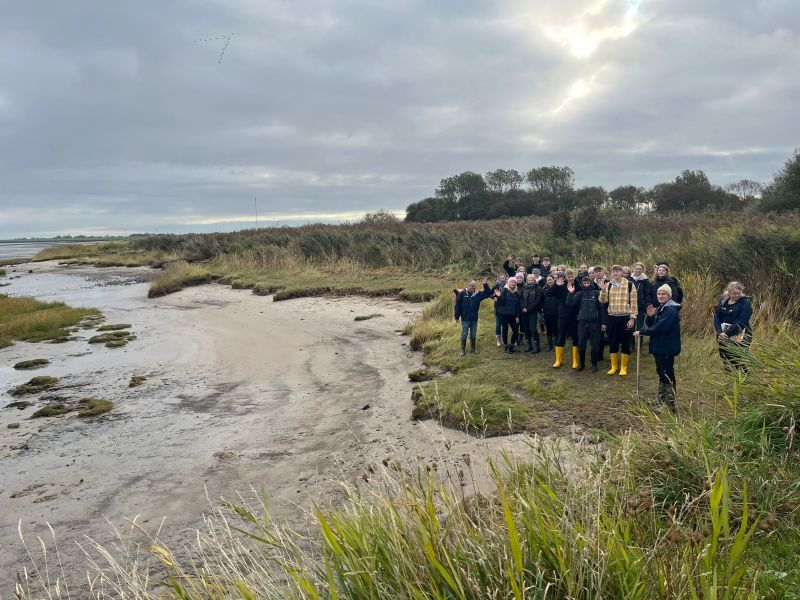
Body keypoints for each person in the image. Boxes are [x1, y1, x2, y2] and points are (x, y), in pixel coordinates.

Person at [634, 284, 681, 412]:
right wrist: (650, 316)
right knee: (661, 373)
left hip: (667, 346)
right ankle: (661, 400)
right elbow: (653, 324)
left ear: (669, 295)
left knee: (667, 374)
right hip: (660, 346)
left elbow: (660, 328)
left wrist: (642, 332)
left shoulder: (670, 310)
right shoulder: (662, 308)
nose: (660, 296)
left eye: (663, 294)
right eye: (659, 294)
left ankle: (669, 405)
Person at [598, 265, 637, 376]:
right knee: (613, 342)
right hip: (612, 317)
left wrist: (632, 318)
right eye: (613, 271)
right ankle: (614, 366)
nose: (616, 273)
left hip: (625, 317)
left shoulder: (630, 285)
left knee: (625, 342)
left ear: (621, 272)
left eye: (618, 271)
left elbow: (634, 303)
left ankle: (623, 367)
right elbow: (602, 301)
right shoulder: (609, 285)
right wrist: (603, 290)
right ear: (611, 273)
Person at [713, 281, 753, 372]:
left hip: (740, 334)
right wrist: (719, 332)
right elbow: (717, 318)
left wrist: (728, 333)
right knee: (724, 355)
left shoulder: (745, 303)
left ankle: (744, 374)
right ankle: (730, 375)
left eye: (739, 293)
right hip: (723, 334)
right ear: (729, 292)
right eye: (734, 293)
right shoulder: (723, 301)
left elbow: (742, 321)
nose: (736, 295)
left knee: (736, 357)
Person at [567, 276, 604, 372]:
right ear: (582, 284)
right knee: (581, 345)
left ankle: (594, 365)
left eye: (588, 283)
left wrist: (603, 322)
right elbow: (570, 303)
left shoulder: (596, 293)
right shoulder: (579, 294)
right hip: (582, 322)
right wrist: (570, 293)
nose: (586, 284)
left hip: (594, 323)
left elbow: (601, 309)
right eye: (584, 283)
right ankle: (582, 364)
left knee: (595, 345)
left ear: (591, 283)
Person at [454, 278, 492, 356]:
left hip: (474, 318)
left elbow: (488, 293)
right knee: (464, 334)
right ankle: (463, 350)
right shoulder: (462, 294)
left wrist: (485, 284)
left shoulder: (478, 294)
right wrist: (457, 317)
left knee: (473, 334)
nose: (473, 287)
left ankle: (473, 349)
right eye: (472, 286)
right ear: (468, 285)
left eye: (474, 286)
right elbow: (457, 306)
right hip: (465, 318)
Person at [552, 270, 580, 369]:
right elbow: (549, 294)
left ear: (574, 276)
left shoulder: (578, 286)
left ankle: (575, 360)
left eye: (572, 276)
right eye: (568, 276)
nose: (570, 278)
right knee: (560, 337)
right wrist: (556, 285)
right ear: (566, 277)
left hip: (574, 316)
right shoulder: (561, 286)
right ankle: (558, 360)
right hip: (562, 315)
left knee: (576, 337)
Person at [495, 276, 523, 353]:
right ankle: (506, 346)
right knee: (505, 330)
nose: (513, 283)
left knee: (515, 330)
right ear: (508, 283)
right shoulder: (504, 291)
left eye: (514, 282)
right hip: (503, 314)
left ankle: (512, 345)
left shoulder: (517, 293)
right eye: (511, 282)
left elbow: (518, 306)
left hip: (513, 315)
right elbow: (501, 303)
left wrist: (517, 316)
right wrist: (498, 296)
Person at [522, 274, 544, 353]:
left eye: (532, 280)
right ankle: (529, 345)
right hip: (524, 312)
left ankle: (537, 347)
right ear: (527, 280)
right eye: (529, 280)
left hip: (533, 311)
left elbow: (537, 301)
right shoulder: (524, 287)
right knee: (526, 329)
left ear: (534, 280)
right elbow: (520, 298)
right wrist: (523, 307)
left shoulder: (538, 289)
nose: (530, 281)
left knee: (533, 329)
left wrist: (528, 308)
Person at [629, 262, 651, 330]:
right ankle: (631, 341)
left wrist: (646, 306)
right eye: (636, 268)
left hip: (640, 307)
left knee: (639, 327)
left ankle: (639, 341)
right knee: (630, 326)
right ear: (634, 269)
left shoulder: (645, 280)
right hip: (630, 306)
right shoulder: (629, 279)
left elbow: (647, 294)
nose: (638, 270)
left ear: (643, 270)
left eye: (640, 269)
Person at [542, 275, 560, 351]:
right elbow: (542, 299)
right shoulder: (544, 288)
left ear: (554, 280)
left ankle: (556, 344)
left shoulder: (558, 287)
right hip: (547, 311)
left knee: (556, 328)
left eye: (550, 280)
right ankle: (549, 344)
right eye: (548, 280)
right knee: (548, 328)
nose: (549, 281)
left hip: (556, 311)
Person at [492, 273, 508, 347]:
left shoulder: (508, 285)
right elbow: (490, 294)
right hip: (497, 307)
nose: (502, 279)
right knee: (498, 324)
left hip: (506, 307)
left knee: (505, 324)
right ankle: (498, 340)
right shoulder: (496, 286)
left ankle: (505, 339)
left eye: (503, 278)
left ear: (505, 278)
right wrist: (494, 298)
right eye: (500, 278)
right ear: (498, 279)